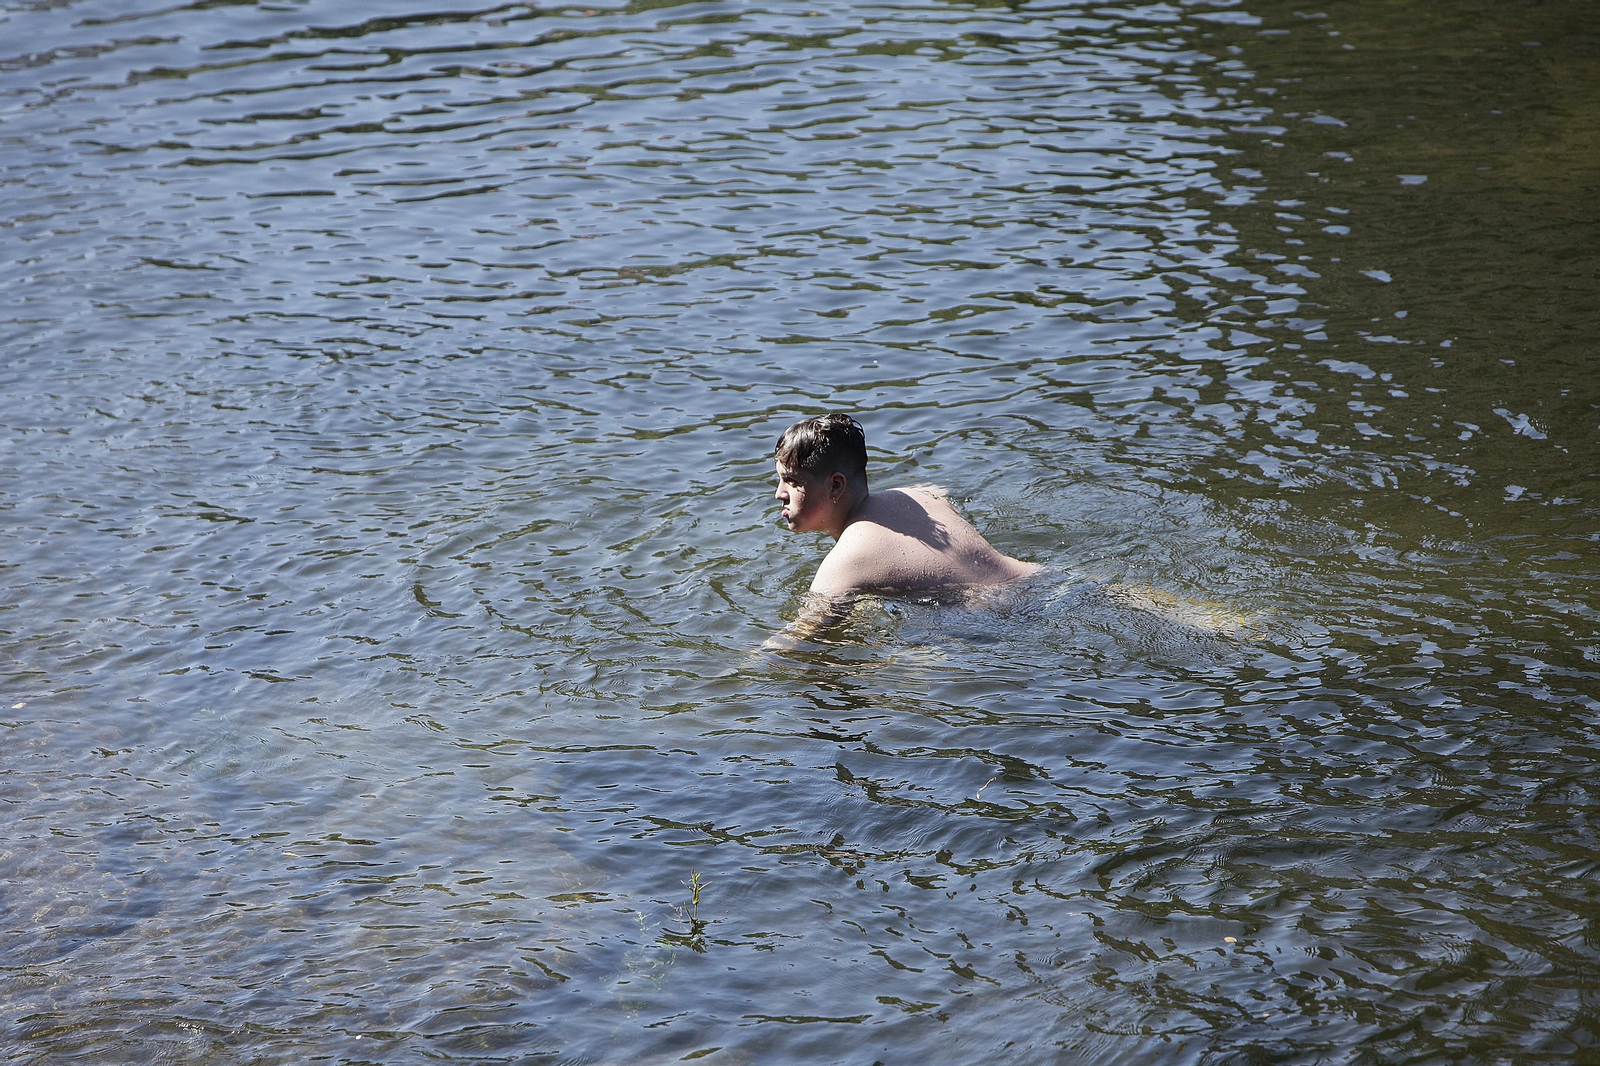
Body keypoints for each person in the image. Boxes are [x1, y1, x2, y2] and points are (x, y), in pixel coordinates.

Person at [772, 414, 1039, 600]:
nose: (779, 493)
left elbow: (799, 641)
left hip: (1009, 614)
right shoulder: (916, 496)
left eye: (792, 481)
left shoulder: (846, 560)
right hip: (1040, 579)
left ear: (835, 486)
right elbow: (942, 491)